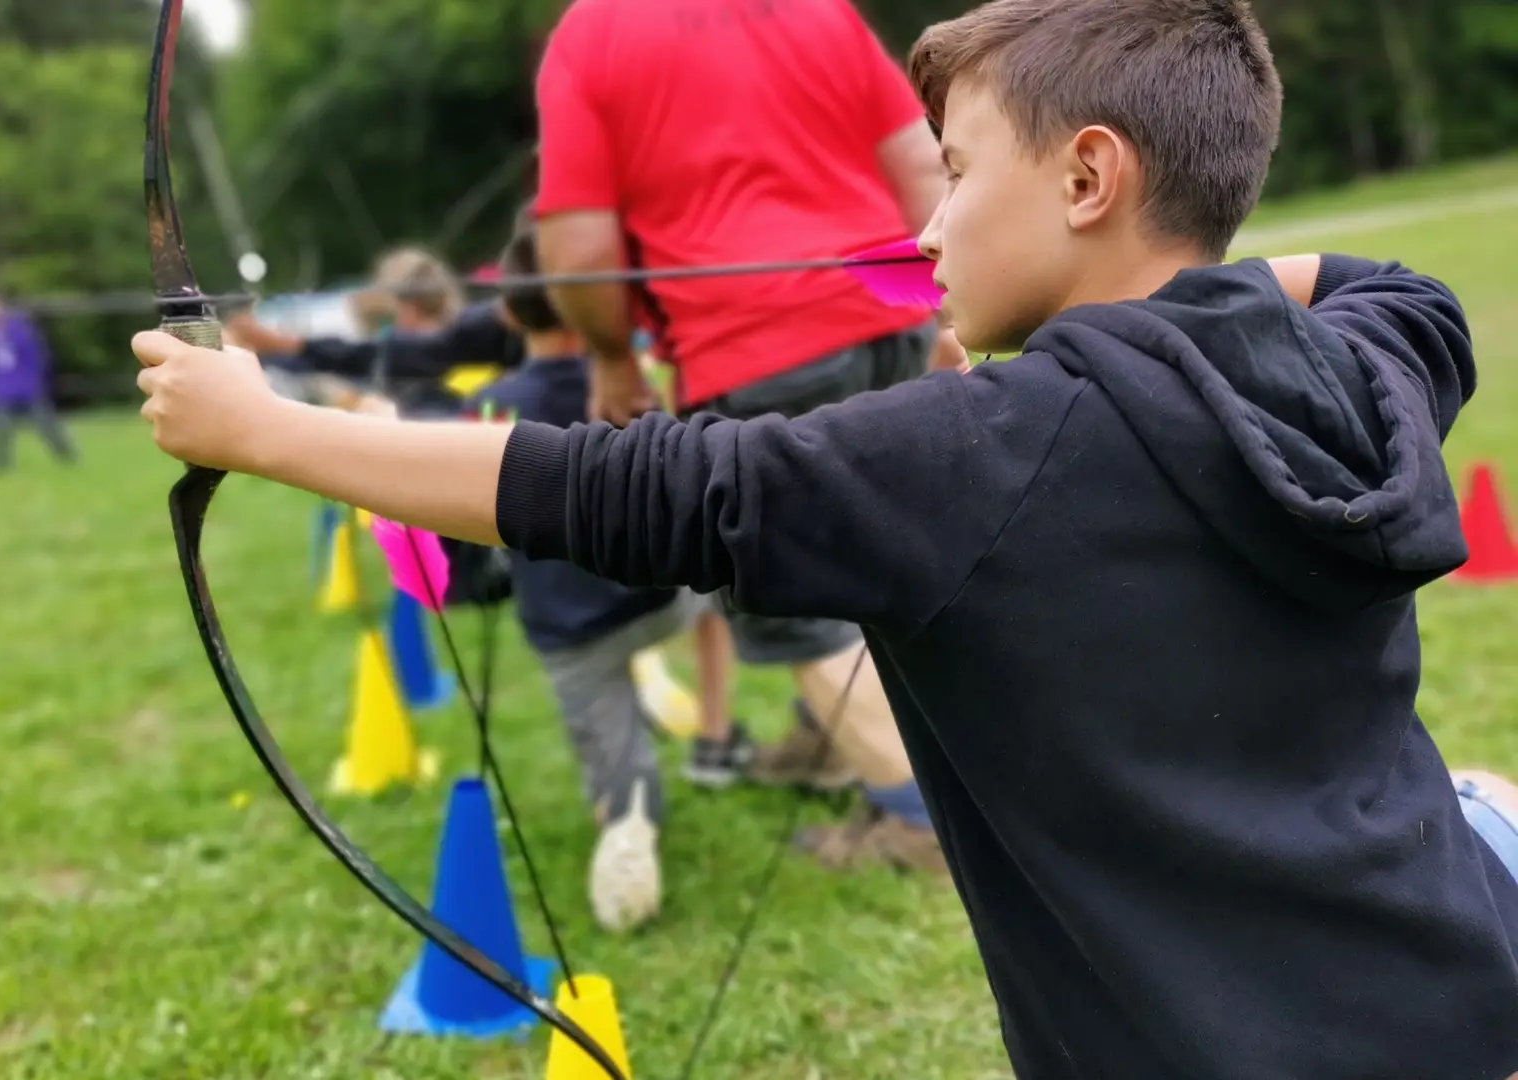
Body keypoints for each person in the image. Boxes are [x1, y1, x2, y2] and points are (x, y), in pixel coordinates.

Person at [131, 0, 1518, 1074]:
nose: (928, 225)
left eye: (957, 171)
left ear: (1089, 176)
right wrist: (1159, 322)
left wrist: (265, 431)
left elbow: (624, 488)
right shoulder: (1368, 365)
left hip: (1198, 1055)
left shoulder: (964, 458)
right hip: (1457, 985)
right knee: (1473, 806)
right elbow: (1398, 288)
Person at [530, 0, 962, 865]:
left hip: (753, 349)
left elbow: (579, 250)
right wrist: (941, 296)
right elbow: (920, 158)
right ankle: (830, 738)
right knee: (893, 547)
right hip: (894, 310)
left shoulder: (591, 34)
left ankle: (917, 819)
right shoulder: (817, 8)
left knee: (797, 595)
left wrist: (614, 359)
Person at [438, 213, 732, 932]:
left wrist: (468, 578)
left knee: (623, 785)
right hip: (666, 596)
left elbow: (460, 517)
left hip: (574, 632)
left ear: (508, 310)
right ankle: (716, 734)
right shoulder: (636, 387)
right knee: (717, 598)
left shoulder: (490, 405)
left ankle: (630, 828)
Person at [224, 246, 524, 418]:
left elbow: (371, 358)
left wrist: (284, 347)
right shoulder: (457, 337)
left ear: (407, 307)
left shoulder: (462, 344)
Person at [0, 288, 77, 472]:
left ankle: (67, 458)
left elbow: (36, 355)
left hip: (27, 385)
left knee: (47, 423)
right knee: (0, 430)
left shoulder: (18, 327)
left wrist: (37, 380)